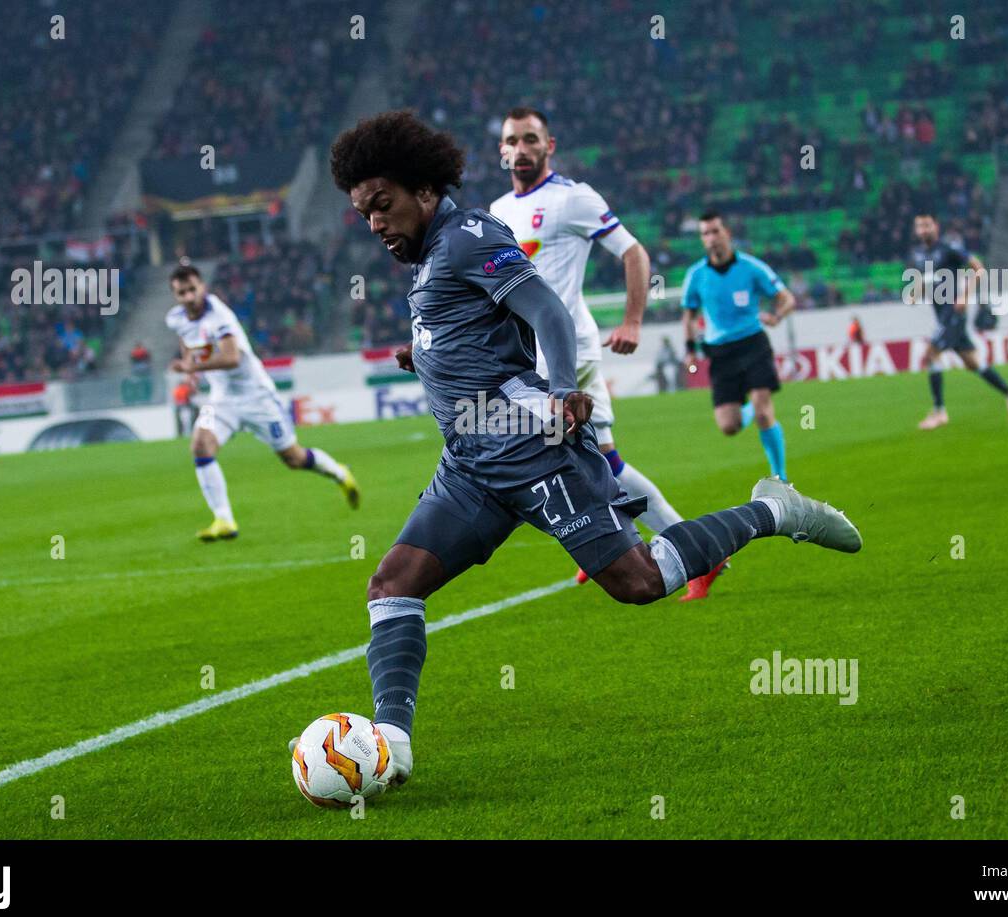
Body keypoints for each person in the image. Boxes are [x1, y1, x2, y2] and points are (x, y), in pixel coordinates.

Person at [320, 111, 863, 790]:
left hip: (535, 451)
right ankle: (391, 746)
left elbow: (545, 309)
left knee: (638, 582)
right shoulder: (432, 255)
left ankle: (772, 510)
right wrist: (423, 355)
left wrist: (557, 392)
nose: (374, 222)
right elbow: (475, 332)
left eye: (383, 204)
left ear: (425, 189)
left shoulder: (469, 237)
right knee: (393, 585)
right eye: (363, 212)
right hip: (470, 466)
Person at [488, 107, 712, 598]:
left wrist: (632, 319)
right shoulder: (498, 211)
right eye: (513, 141)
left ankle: (692, 553)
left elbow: (633, 253)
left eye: (531, 139)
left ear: (550, 145)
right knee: (577, 458)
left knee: (593, 460)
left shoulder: (573, 199)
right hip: (530, 358)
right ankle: (612, 544)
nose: (521, 149)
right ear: (502, 150)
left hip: (572, 350)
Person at [165, 265, 359, 541]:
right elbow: (188, 341)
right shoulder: (176, 318)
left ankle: (339, 472)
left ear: (203, 287)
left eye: (192, 289)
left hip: (257, 397)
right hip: (221, 400)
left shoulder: (219, 317)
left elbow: (232, 358)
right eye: (181, 292)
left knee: (294, 458)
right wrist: (188, 364)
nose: (188, 297)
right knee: (200, 444)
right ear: (175, 295)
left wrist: (194, 365)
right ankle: (224, 519)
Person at [682, 213, 792, 482]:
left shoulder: (752, 268)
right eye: (705, 234)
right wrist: (689, 350)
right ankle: (751, 408)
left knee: (765, 413)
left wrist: (776, 317)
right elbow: (689, 316)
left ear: (727, 233)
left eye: (715, 231)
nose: (710, 238)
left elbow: (786, 298)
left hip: (753, 344)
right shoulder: (696, 275)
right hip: (720, 353)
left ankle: (781, 479)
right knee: (728, 426)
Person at [906, 213, 1008, 430]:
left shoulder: (949, 249)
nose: (923, 230)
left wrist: (965, 296)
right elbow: (925, 281)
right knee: (972, 362)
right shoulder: (919, 256)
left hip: (953, 313)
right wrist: (915, 292)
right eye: (919, 226)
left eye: (927, 225)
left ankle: (939, 411)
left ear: (936, 226)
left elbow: (978, 269)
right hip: (942, 314)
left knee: (931, 355)